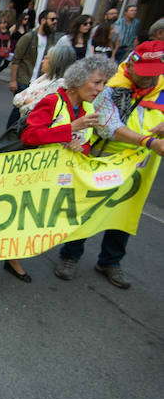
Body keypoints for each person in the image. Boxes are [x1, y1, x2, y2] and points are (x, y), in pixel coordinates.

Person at [55, 41, 164, 288]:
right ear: (132, 65)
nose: (150, 79)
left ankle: (111, 261)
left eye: (155, 72)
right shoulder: (109, 88)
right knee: (86, 207)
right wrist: (148, 141)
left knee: (124, 211)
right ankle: (70, 255)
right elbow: (109, 127)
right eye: (145, 73)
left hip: (141, 164)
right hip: (105, 159)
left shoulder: (162, 89)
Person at [14, 56, 117, 283]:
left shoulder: (87, 107)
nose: (100, 89)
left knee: (38, 221)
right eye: (97, 82)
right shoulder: (52, 101)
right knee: (21, 218)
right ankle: (10, 259)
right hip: (36, 174)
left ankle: (16, 255)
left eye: (104, 83)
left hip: (61, 178)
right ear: (79, 81)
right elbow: (29, 135)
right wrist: (69, 128)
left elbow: (86, 141)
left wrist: (80, 147)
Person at [9, 10, 59, 127]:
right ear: (43, 20)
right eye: (52, 19)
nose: (55, 22)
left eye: (56, 20)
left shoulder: (51, 40)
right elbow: (16, 60)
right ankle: (9, 134)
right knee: (18, 110)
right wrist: (13, 80)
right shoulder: (28, 37)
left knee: (31, 113)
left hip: (39, 81)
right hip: (24, 79)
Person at [12, 44, 77, 118]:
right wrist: (26, 100)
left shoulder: (59, 86)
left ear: (54, 62)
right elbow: (17, 98)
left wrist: (25, 100)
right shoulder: (45, 78)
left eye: (46, 58)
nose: (43, 61)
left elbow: (34, 108)